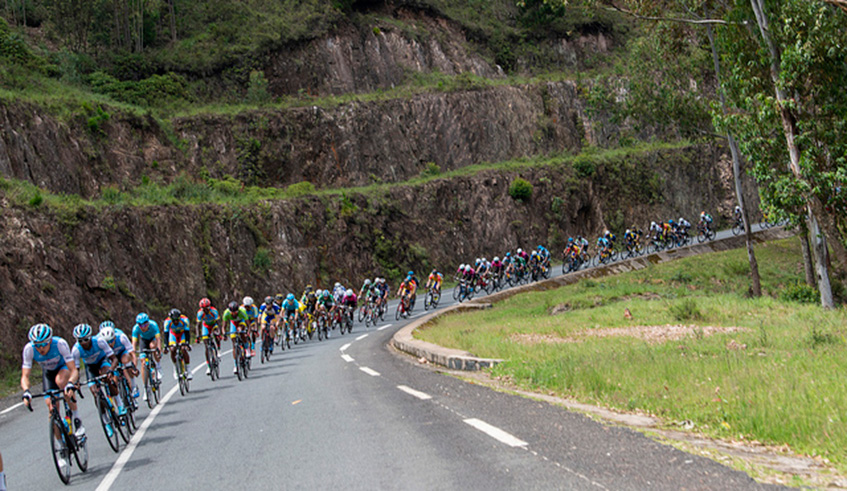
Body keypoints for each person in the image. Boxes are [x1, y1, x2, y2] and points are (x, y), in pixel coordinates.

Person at [21, 323, 87, 442]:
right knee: (52, 408)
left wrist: (71, 383)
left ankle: (77, 419)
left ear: (50, 341)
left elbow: (73, 370)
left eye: (44, 344)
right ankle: (61, 445)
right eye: (37, 345)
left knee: (61, 382)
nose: (41, 348)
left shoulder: (60, 344)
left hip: (63, 368)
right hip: (48, 373)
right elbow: (25, 376)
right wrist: (26, 391)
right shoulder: (29, 349)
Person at [71, 324, 122, 413]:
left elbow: (114, 359)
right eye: (80, 340)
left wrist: (111, 370)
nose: (83, 343)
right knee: (95, 392)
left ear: (90, 337)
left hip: (102, 361)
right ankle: (104, 418)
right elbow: (76, 370)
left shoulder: (99, 341)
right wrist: (76, 382)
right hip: (90, 367)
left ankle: (120, 404)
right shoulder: (76, 350)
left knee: (107, 377)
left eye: (86, 339)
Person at [99, 321, 140, 400]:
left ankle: (133, 386)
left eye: (111, 341)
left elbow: (132, 354)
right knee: (113, 378)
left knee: (126, 361)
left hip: (122, 352)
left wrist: (134, 368)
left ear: (114, 336)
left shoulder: (121, 337)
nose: (110, 344)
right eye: (107, 342)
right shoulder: (98, 341)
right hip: (109, 356)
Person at [131, 312, 163, 392]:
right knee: (143, 362)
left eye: (145, 325)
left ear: (148, 323)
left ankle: (158, 366)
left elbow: (158, 339)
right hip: (144, 341)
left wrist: (159, 350)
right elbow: (133, 343)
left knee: (153, 347)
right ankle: (146, 387)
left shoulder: (153, 325)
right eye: (140, 325)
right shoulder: (135, 328)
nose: (143, 327)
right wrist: (134, 352)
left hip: (153, 339)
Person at [162, 309, 192, 380]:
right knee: (172, 350)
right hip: (173, 335)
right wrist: (166, 346)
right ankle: (176, 368)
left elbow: (187, 333)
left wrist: (187, 343)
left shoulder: (185, 320)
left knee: (183, 349)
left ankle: (188, 370)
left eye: (177, 320)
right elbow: (166, 335)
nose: (175, 322)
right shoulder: (167, 322)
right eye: (174, 320)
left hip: (182, 334)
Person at [222, 301, 250, 374]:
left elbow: (248, 325)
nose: (234, 314)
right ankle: (236, 365)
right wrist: (224, 334)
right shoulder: (226, 313)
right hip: (233, 323)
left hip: (241, 321)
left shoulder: (242, 311)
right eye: (232, 312)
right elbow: (223, 327)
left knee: (240, 331)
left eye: (235, 312)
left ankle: (247, 348)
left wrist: (247, 332)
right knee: (234, 342)